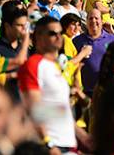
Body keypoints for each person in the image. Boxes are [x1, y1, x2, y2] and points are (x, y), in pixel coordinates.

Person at [18, 16, 77, 152]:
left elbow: (62, 111)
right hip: (48, 146)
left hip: (66, 144)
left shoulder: (54, 66)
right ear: (38, 37)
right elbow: (34, 109)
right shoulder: (33, 64)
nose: (58, 36)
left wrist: (83, 136)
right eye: (52, 33)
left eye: (60, 33)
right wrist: (48, 143)